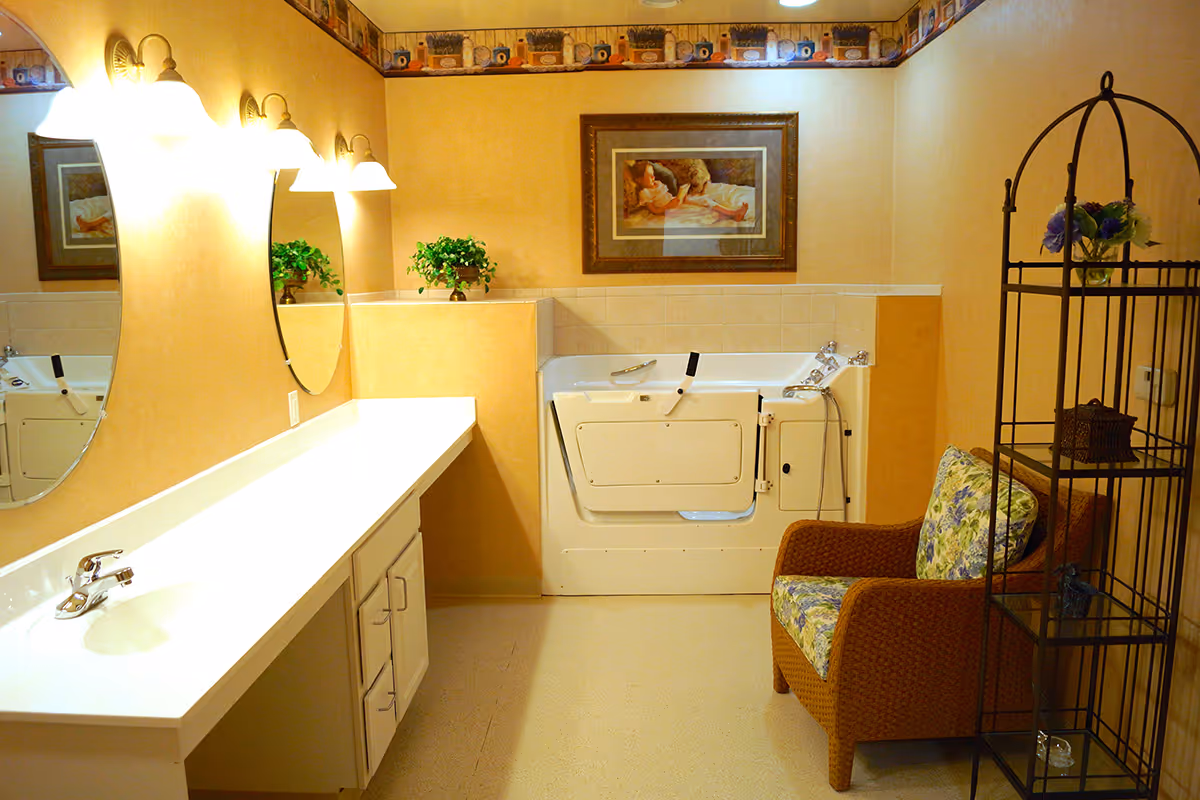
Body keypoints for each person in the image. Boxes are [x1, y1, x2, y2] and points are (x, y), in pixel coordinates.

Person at [631, 161, 749, 221]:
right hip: (670, 209)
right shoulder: (645, 193)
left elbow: (668, 196)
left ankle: (732, 212)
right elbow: (655, 211)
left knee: (704, 200)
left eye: (653, 175)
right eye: (649, 176)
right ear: (639, 180)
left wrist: (680, 196)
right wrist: (668, 206)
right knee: (701, 211)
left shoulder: (656, 184)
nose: (653, 178)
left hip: (675, 202)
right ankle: (732, 215)